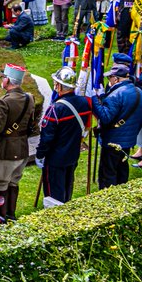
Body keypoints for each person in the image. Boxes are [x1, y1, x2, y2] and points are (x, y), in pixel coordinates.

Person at [34, 68, 91, 204]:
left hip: (55, 158)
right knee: (67, 187)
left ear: (59, 86)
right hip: (72, 154)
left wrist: (40, 155)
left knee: (54, 196)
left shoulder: (56, 109)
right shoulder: (84, 102)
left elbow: (47, 137)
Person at [0, 64, 39, 219]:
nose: (2, 80)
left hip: (6, 149)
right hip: (22, 148)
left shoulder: (3, 102)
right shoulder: (29, 98)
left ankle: (1, 217)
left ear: (9, 80)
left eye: (3, 77)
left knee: (2, 184)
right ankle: (11, 214)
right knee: (14, 182)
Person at [94, 64, 142, 189]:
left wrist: (94, 100)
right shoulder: (139, 92)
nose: (108, 81)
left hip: (113, 140)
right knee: (122, 168)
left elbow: (105, 118)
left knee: (108, 173)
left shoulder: (115, 95)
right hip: (129, 139)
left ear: (116, 79)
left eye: (110, 78)